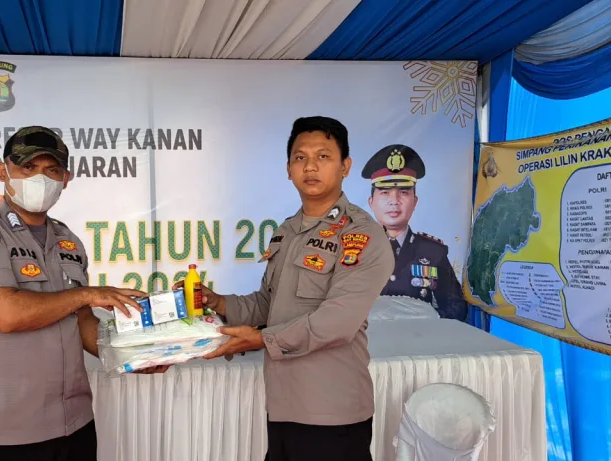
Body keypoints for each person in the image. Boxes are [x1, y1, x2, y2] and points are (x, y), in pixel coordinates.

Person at [0, 126, 165, 461]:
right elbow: (7, 314)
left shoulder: (67, 241)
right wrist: (86, 295)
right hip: (7, 433)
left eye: (52, 170)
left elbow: (83, 323)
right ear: (2, 171)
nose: (40, 178)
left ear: (65, 179)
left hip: (74, 424)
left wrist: (133, 358)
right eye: (27, 167)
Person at [183, 116, 394, 461]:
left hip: (332, 411)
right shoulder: (287, 231)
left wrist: (261, 340)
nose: (310, 166)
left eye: (323, 156)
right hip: (283, 405)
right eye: (300, 157)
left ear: (345, 166)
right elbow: (268, 303)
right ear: (288, 169)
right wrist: (217, 301)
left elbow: (337, 323)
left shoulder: (361, 234)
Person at [361, 144, 468, 322]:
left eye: (403, 192)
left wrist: (431, 317)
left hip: (419, 337)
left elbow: (457, 307)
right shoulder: (354, 249)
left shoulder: (433, 252)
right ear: (371, 202)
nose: (394, 201)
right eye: (385, 193)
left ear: (415, 201)